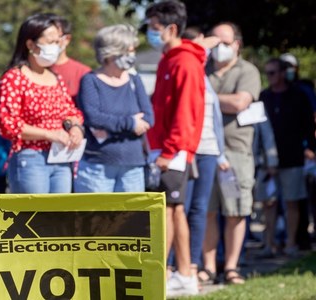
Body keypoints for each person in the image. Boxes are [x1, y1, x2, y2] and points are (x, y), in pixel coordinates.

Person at [145, 1, 206, 296]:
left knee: (168, 211)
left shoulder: (185, 62)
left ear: (171, 28)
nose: (150, 33)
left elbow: (187, 111)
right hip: (163, 148)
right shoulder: (167, 59)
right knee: (175, 210)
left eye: (154, 28)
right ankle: (182, 273)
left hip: (173, 151)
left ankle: (167, 272)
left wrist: (170, 150)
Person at [0, 13, 84, 194]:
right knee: (35, 220)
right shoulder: (14, 78)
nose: (56, 47)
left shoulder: (55, 78)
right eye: (50, 42)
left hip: (61, 158)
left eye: (58, 42)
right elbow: (7, 123)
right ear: (30, 45)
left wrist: (75, 127)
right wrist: (49, 134)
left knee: (58, 219)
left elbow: (70, 111)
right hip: (31, 158)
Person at [203, 21, 261, 285]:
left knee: (236, 211)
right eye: (213, 41)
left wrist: (208, 98)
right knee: (207, 211)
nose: (218, 47)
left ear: (237, 44)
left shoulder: (247, 71)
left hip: (236, 150)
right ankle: (207, 267)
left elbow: (240, 102)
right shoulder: (201, 69)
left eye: (224, 42)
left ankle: (231, 267)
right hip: (205, 149)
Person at [74, 24, 153, 193]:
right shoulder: (90, 81)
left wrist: (110, 129)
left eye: (133, 51)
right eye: (127, 51)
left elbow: (148, 118)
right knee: (96, 219)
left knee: (129, 219)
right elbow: (93, 117)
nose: (132, 56)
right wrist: (131, 124)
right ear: (110, 53)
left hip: (133, 167)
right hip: (97, 167)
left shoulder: (134, 79)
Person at [179, 27, 229, 286]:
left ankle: (193, 265)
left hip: (208, 149)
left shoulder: (205, 76)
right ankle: (176, 265)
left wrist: (220, 152)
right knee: (180, 209)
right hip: (186, 149)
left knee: (199, 210)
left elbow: (216, 120)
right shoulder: (183, 68)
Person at [259, 58, 316, 257]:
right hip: (267, 160)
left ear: (283, 73)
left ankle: (291, 242)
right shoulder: (263, 97)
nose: (270, 77)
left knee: (292, 200)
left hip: (292, 156)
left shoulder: (298, 96)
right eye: (267, 73)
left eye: (273, 72)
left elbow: (308, 124)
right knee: (269, 202)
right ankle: (270, 243)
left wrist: (312, 148)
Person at [252, 117, 279, 258]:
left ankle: (270, 243)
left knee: (269, 205)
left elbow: (267, 137)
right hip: (242, 164)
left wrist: (271, 162)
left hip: (262, 167)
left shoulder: (257, 109)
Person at [50, 15, 91, 101]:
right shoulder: (32, 72)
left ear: (67, 39)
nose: (49, 42)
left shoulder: (83, 73)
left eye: (54, 38)